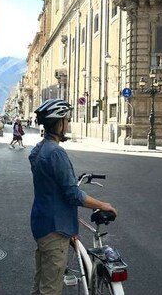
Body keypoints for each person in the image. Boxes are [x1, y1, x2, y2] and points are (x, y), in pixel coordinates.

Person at [29, 99, 115, 295]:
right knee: (50, 289)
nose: (67, 124)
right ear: (59, 123)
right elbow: (73, 194)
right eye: (66, 119)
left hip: (42, 223)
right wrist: (102, 205)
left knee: (40, 284)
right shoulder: (56, 153)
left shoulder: (39, 149)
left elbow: (48, 181)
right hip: (55, 227)